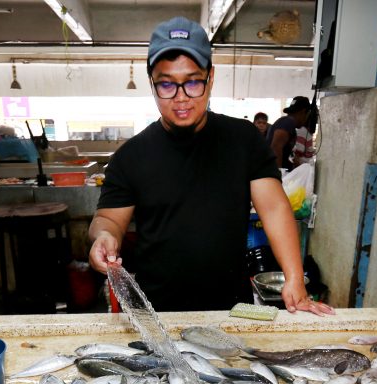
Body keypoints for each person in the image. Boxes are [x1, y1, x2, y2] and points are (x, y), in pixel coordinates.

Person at [87, 17, 331, 315]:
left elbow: (274, 207)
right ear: (152, 83)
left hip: (229, 311)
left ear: (210, 77)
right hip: (156, 314)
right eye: (166, 84)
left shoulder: (244, 140)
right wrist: (104, 237)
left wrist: (294, 278)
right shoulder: (130, 156)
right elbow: (109, 220)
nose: (181, 98)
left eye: (192, 82)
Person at [266, 96, 311, 171]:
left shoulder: (288, 124)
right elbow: (276, 147)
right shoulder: (287, 123)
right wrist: (279, 173)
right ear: (303, 112)